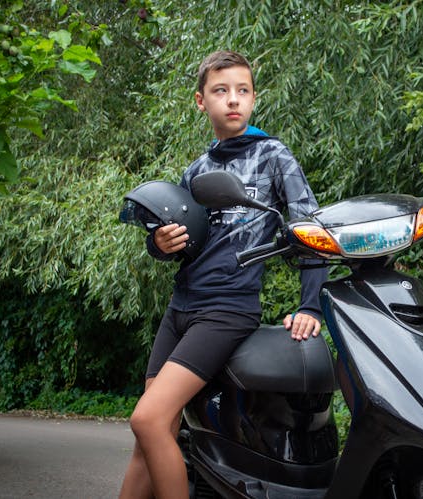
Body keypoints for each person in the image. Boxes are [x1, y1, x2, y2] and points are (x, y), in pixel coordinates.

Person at [118, 50, 328, 499]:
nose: (233, 100)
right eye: (221, 91)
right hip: (181, 307)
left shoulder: (273, 155)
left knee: (148, 419)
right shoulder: (197, 169)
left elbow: (310, 228)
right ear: (201, 102)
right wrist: (160, 244)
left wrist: (310, 304)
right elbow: (180, 242)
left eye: (243, 91)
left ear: (253, 98)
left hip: (226, 310)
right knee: (152, 433)